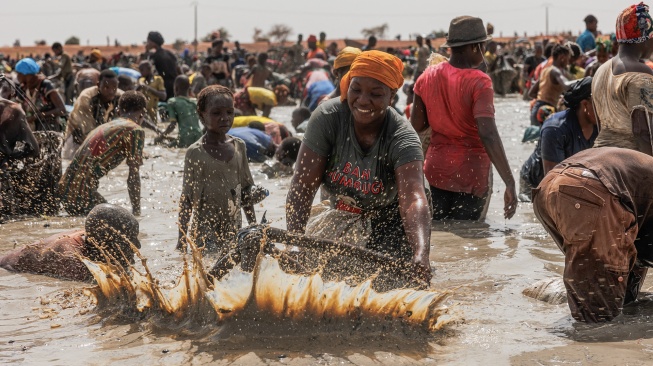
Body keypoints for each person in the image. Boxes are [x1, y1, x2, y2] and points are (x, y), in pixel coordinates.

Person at [286, 50, 432, 283]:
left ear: (391, 96)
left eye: (375, 94)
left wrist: (421, 254)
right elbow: (302, 186)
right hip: (344, 213)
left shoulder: (402, 137)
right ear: (347, 86)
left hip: (392, 219)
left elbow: (413, 199)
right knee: (315, 279)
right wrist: (294, 241)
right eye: (356, 90)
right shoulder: (327, 118)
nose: (363, 100)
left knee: (390, 284)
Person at [411, 16, 517, 221]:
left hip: (436, 170)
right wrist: (509, 181)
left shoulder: (426, 76)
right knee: (472, 236)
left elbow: (417, 125)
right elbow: (488, 134)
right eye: (483, 45)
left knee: (441, 235)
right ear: (476, 47)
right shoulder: (480, 82)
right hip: (471, 173)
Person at [532, 147, 653, 322]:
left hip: (547, 188)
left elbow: (636, 246)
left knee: (607, 288)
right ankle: (590, 347)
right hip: (590, 191)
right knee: (598, 317)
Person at [177, 85, 258, 253]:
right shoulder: (195, 152)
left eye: (229, 112)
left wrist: (253, 226)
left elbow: (246, 192)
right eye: (216, 113)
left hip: (234, 229)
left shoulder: (239, 146)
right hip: (205, 233)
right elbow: (187, 198)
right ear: (201, 115)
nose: (224, 118)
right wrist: (182, 239)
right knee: (209, 270)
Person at [58, 91, 146, 216]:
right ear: (143, 113)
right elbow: (133, 175)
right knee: (123, 224)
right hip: (81, 193)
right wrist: (137, 213)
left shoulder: (105, 126)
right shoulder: (135, 130)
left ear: (117, 110)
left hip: (66, 190)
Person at [0, 204, 140, 281]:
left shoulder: (92, 237)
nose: (138, 245)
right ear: (107, 241)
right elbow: (89, 286)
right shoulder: (71, 258)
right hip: (7, 271)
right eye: (129, 239)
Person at [519, 77, 597, 201]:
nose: (606, 109)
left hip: (571, 176)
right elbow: (552, 180)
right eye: (601, 103)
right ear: (585, 104)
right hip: (535, 181)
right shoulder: (555, 128)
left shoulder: (600, 127)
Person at [592, 2, 653, 153]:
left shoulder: (600, 71)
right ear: (645, 39)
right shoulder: (640, 72)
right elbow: (644, 132)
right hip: (629, 154)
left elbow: (599, 124)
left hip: (599, 150)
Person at [63, 69, 123, 158]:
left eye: (114, 87)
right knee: (75, 163)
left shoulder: (121, 97)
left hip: (101, 136)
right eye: (106, 87)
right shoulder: (86, 98)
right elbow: (88, 131)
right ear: (98, 85)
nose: (111, 91)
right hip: (77, 136)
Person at [15, 58, 66, 132]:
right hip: (31, 127)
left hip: (49, 128)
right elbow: (20, 109)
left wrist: (39, 116)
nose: (17, 76)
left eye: (18, 73)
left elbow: (62, 110)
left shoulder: (45, 85)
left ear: (25, 73)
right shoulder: (23, 89)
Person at [528, 44, 573, 125]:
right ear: (562, 58)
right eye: (567, 59)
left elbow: (531, 93)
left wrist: (548, 97)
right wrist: (585, 80)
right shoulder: (556, 71)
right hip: (546, 111)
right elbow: (566, 85)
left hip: (537, 109)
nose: (568, 62)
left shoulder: (545, 70)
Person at [157, 75, 203, 148]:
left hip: (184, 138)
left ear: (176, 88)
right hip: (199, 137)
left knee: (163, 146)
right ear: (189, 88)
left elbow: (172, 125)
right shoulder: (194, 102)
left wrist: (161, 137)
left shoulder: (172, 102)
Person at [146, 31, 178, 101]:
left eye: (148, 41)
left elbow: (148, 71)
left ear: (153, 42)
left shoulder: (154, 56)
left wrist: (146, 51)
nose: (147, 43)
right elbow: (178, 68)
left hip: (162, 87)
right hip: (174, 85)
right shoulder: (170, 53)